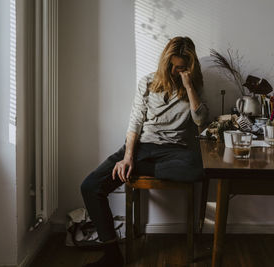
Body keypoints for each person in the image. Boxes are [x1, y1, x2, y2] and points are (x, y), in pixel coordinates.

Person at [81, 36, 208, 267]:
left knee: (200, 170)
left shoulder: (195, 86)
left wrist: (189, 86)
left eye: (179, 67)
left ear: (189, 67)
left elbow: (200, 121)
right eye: (170, 65)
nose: (172, 71)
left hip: (175, 151)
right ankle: (111, 255)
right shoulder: (147, 83)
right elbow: (135, 122)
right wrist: (128, 157)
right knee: (90, 186)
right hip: (140, 148)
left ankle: (138, 167)